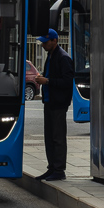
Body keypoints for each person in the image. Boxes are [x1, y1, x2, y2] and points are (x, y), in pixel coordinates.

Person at [32, 28, 74, 180]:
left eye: (45, 42)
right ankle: (52, 167)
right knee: (49, 137)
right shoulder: (51, 55)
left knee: (57, 137)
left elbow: (68, 81)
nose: (43, 45)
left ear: (54, 41)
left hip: (58, 103)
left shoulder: (63, 58)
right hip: (49, 101)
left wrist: (47, 81)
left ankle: (59, 170)